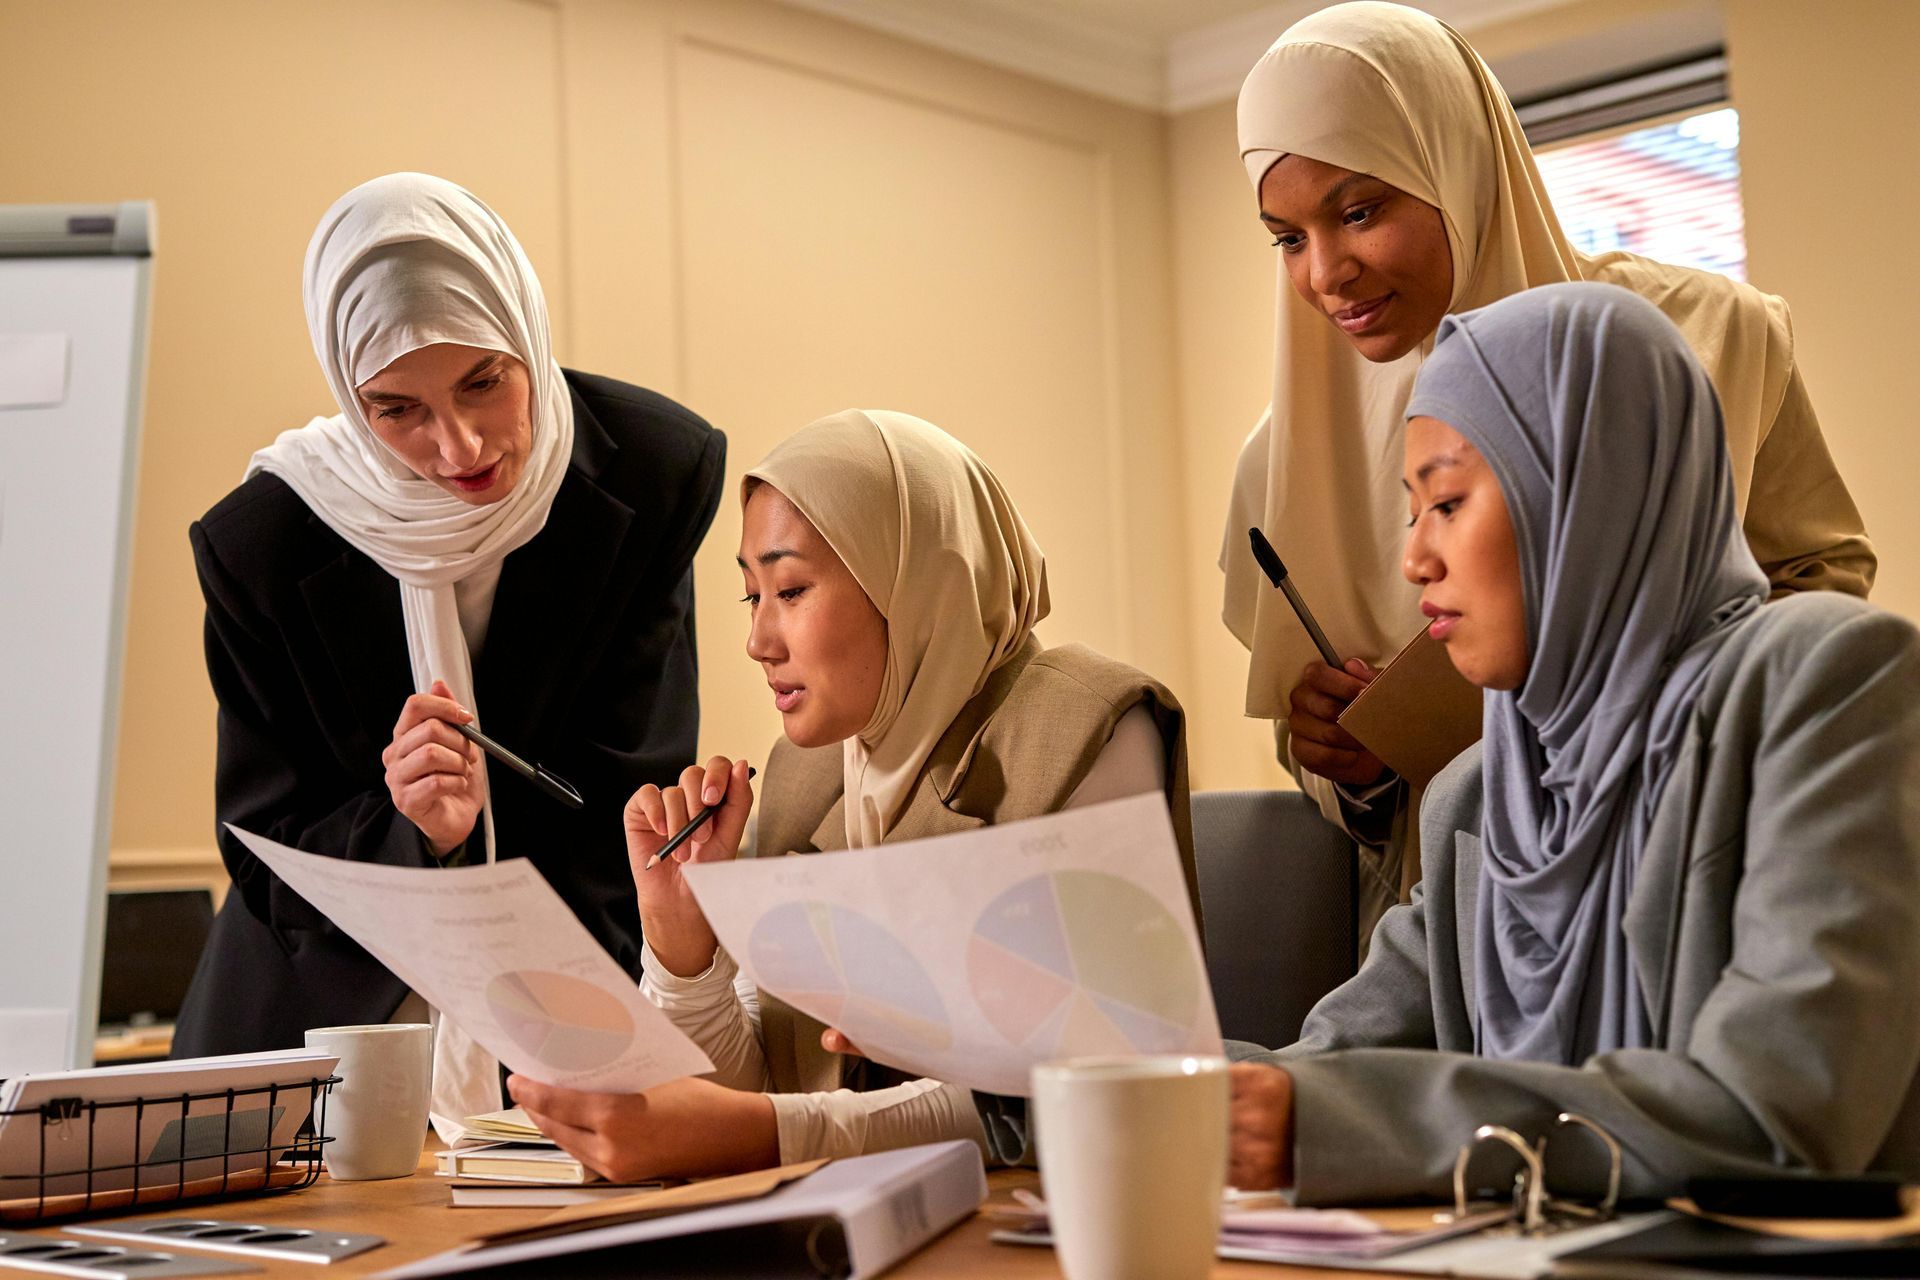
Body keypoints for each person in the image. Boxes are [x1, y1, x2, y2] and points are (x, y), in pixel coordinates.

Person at [1226, 282, 1920, 1203]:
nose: (1414, 560)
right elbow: (1327, 1066)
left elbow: (1781, 1110)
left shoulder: (1828, 680)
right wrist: (1114, 1071)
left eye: (1448, 502)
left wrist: (1332, 1120)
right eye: (1410, 512)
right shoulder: (1478, 790)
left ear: (1589, 489)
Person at [1220, 1, 1875, 938]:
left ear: (1456, 168)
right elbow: (1321, 762)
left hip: (1710, 867)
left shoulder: (1705, 337)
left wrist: (1674, 693)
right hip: (1464, 921)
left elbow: (1821, 582)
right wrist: (1345, 765)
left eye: (1358, 212)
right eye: (1288, 239)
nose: (1326, 273)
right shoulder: (1282, 462)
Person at [172, 174, 727, 1139]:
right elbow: (266, 849)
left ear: (526, 333)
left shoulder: (652, 469)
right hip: (317, 1022)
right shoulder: (262, 544)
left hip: (565, 989)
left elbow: (625, 792)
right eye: (397, 411)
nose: (459, 444)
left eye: (484, 381)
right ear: (351, 397)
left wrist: (562, 1050)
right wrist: (415, 834)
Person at [507, 409, 1197, 1179]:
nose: (759, 642)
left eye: (792, 590)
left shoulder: (1087, 723)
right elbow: (754, 1091)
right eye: (751, 596)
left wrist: (775, 1135)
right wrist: (683, 946)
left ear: (916, 581)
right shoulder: (809, 772)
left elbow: (1079, 1092)